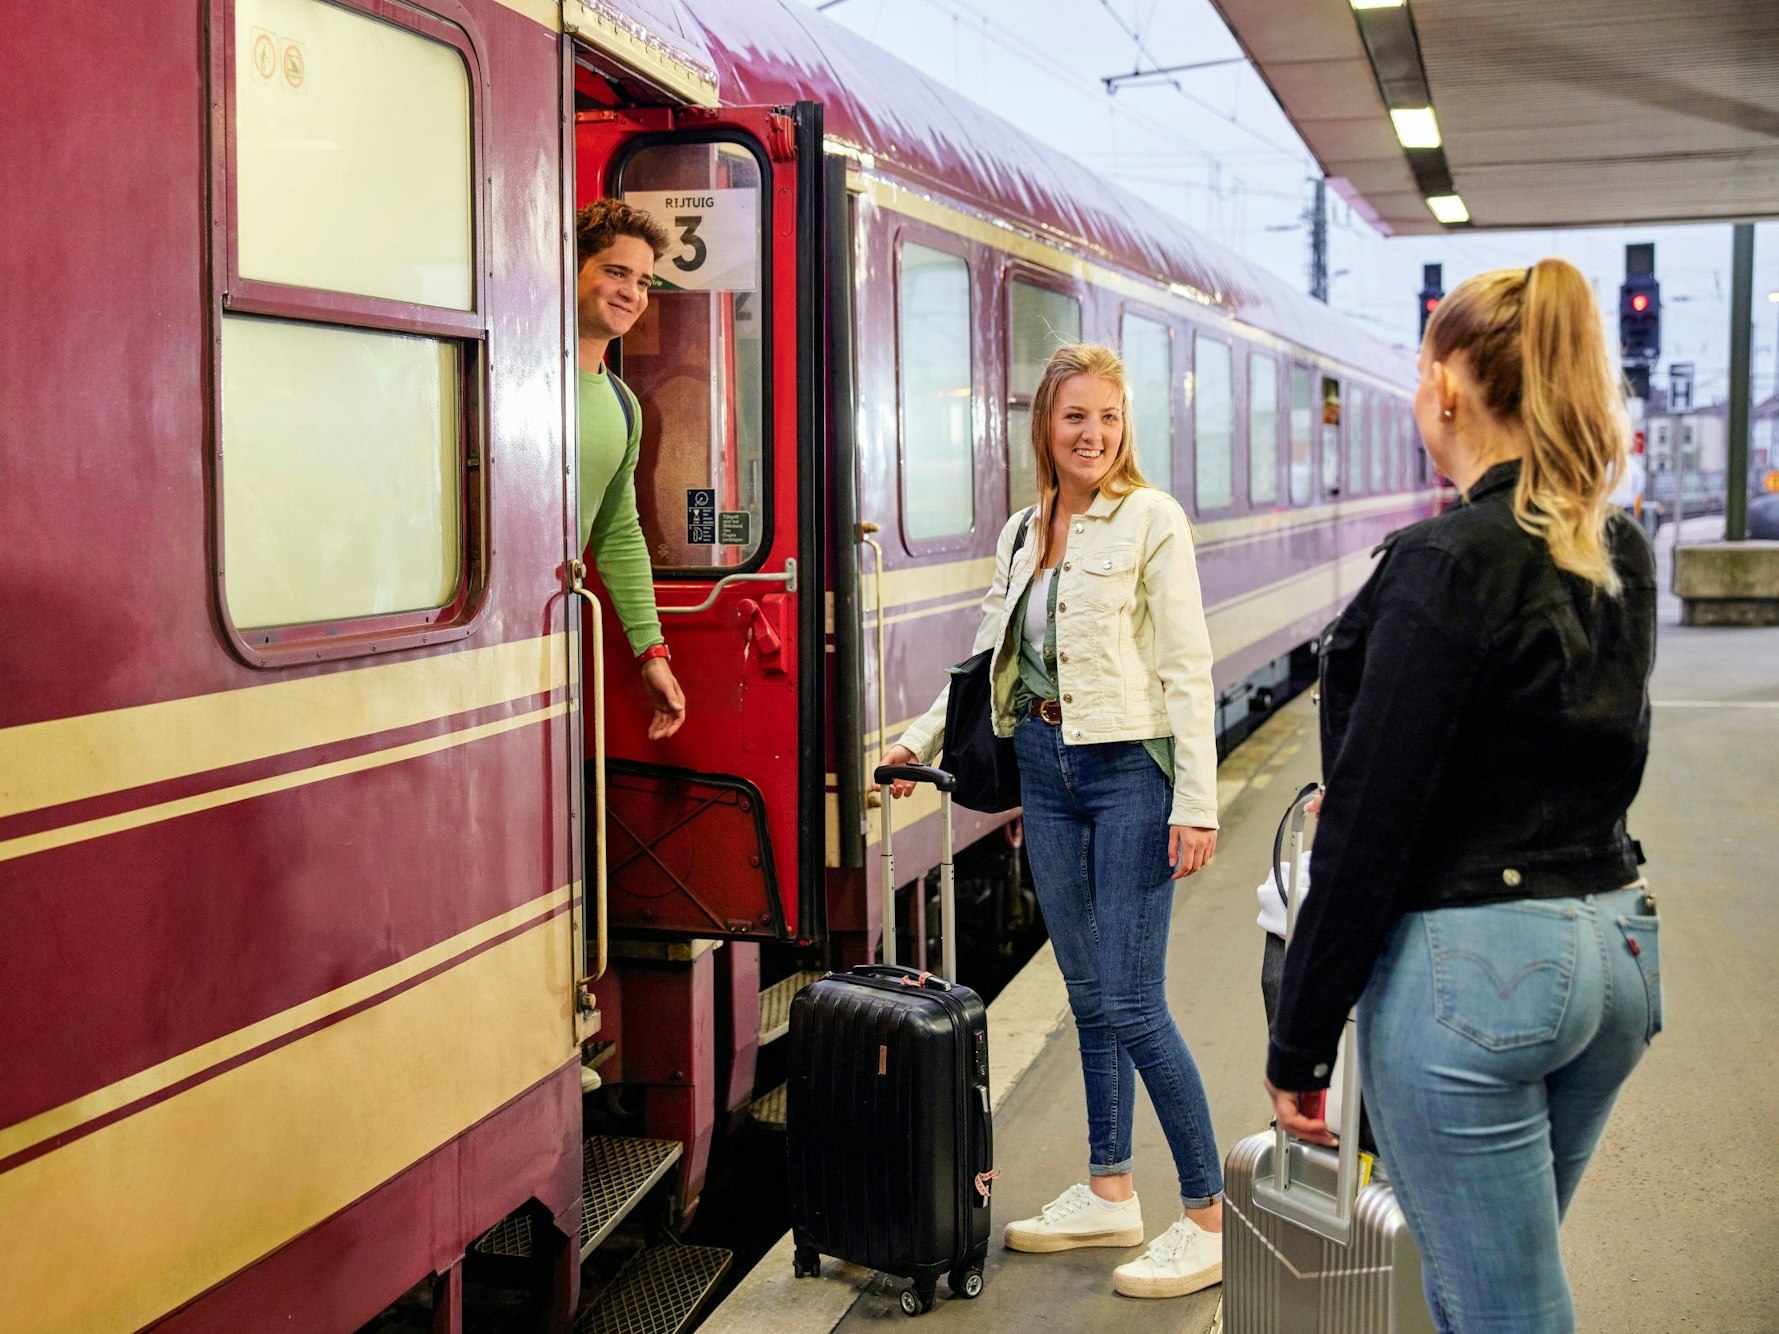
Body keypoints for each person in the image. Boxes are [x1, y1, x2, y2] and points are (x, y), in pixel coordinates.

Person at [1266, 259, 1662, 1333]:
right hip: (1616, 952)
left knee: (1500, 1311)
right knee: (1483, 1287)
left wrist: (1299, 1038)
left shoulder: (1446, 560)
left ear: (1446, 388)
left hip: (1480, 980)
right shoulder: (1617, 546)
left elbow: (1368, 825)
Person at [879, 343, 1225, 1300]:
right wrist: (914, 742)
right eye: (1076, 416)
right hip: (1043, 764)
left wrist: (1195, 804)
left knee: (1134, 1002)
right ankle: (1110, 1189)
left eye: (1108, 417)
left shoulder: (1151, 519)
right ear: (1044, 425)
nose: (1093, 435)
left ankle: (1208, 1216)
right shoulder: (1023, 532)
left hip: (1128, 771)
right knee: (1087, 993)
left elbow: (1187, 667)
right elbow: (985, 658)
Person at [575, 198, 686, 740]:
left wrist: (652, 652)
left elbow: (618, 532)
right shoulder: (509, 377)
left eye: (643, 282)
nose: (632, 294)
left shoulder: (623, 406)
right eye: (615, 272)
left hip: (553, 631)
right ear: (570, 269)